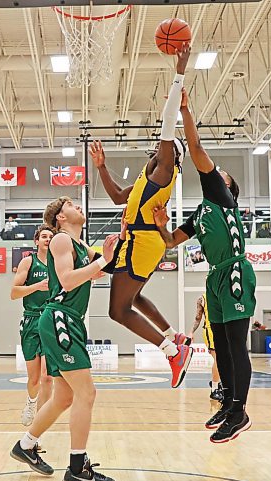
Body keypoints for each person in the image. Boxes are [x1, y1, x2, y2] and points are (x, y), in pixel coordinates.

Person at [153, 89, 256, 443]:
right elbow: (169, 242)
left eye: (220, 173)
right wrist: (160, 223)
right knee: (222, 347)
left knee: (237, 345)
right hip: (214, 277)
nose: (216, 172)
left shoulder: (222, 197)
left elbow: (196, 151)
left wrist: (185, 111)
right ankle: (229, 402)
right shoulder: (201, 213)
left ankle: (240, 412)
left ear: (228, 188)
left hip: (235, 272)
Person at [89, 43, 193, 389]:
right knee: (132, 299)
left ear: (169, 154)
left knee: (118, 310)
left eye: (160, 147)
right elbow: (120, 196)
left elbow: (166, 125)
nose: (154, 149)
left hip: (143, 240)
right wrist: (101, 168)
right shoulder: (146, 180)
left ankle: (170, 352)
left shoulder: (164, 170)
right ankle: (173, 337)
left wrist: (179, 73)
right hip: (141, 241)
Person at [11, 196, 124, 481]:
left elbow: (97, 272)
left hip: (68, 319)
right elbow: (69, 280)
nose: (79, 207)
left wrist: (120, 244)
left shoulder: (77, 246)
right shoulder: (61, 240)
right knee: (86, 393)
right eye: (72, 205)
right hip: (60, 317)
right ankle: (77, 467)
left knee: (64, 397)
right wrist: (103, 259)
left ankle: (26, 444)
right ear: (60, 217)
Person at [11, 224, 54, 432]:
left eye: (50, 237)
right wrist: (37, 286)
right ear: (36, 241)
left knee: (47, 376)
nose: (47, 239)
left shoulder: (59, 264)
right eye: (44, 236)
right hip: (30, 321)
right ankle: (31, 403)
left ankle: (42, 418)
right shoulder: (28, 262)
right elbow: (14, 292)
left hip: (51, 320)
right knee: (34, 378)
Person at [188, 294, 223, 402]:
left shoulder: (224, 294)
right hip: (210, 330)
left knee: (226, 359)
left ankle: (218, 383)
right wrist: (191, 332)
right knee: (218, 359)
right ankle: (214, 389)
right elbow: (198, 318)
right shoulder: (202, 298)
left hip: (224, 329)